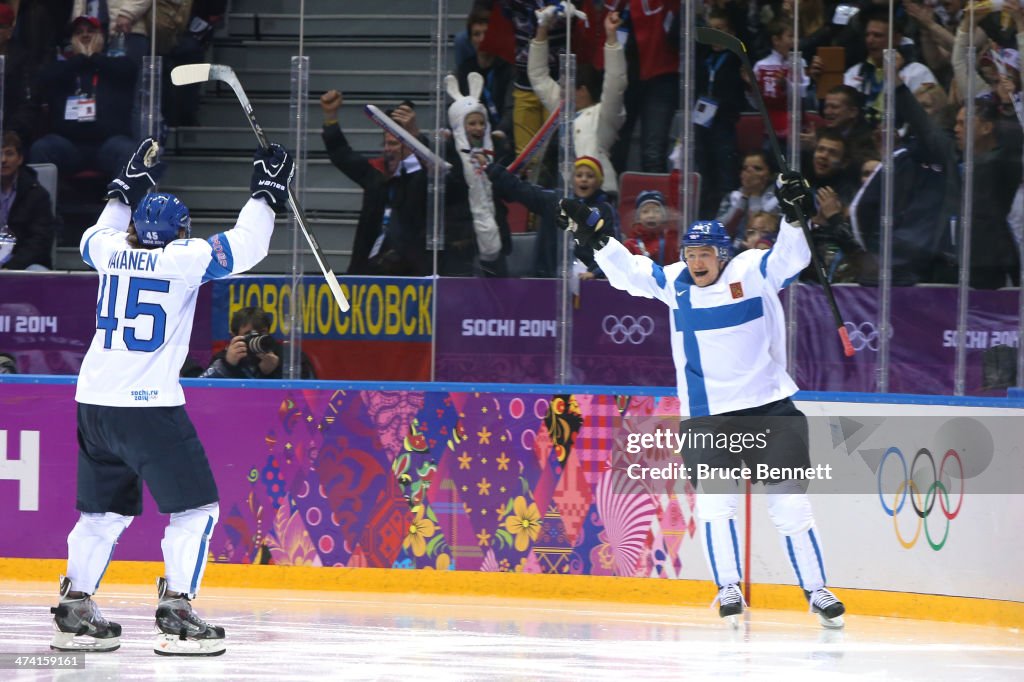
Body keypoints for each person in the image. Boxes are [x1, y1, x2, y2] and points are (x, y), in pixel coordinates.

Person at [557, 172, 846, 629]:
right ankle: (727, 588)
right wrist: (598, 239)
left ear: (723, 254)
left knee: (790, 506)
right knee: (715, 507)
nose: (696, 262)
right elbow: (631, 274)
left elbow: (793, 257)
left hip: (770, 406)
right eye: (690, 254)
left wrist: (795, 214)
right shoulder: (675, 282)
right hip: (708, 416)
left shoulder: (752, 270)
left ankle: (816, 591)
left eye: (705, 254)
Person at [49, 136, 294, 655]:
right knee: (195, 509)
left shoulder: (109, 251)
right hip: (148, 406)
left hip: (93, 402)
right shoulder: (183, 259)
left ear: (138, 229)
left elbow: (102, 227)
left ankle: (75, 603)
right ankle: (178, 608)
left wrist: (125, 186)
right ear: (181, 231)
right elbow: (249, 245)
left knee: (102, 514)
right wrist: (267, 191)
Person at [320, 89, 430, 276]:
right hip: (366, 272)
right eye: (386, 144)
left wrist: (414, 135)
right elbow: (341, 155)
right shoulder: (376, 178)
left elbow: (423, 168)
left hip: (409, 276)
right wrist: (331, 116)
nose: (388, 149)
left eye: (394, 144)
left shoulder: (422, 179)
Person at [29, 15, 138, 179]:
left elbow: (129, 71)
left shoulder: (117, 64)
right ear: (72, 40)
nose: (85, 35)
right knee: (42, 148)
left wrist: (94, 57)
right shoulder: (62, 67)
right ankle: (40, 204)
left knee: (128, 150)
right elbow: (45, 78)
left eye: (91, 32)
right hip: (69, 145)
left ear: (102, 37)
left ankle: (124, 205)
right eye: (79, 32)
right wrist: (80, 58)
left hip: (108, 144)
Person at [200, 306, 316, 380]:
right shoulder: (224, 359)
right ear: (234, 336)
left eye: (262, 332)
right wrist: (228, 365)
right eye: (248, 334)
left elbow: (308, 391)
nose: (256, 338)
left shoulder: (288, 355)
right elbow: (203, 389)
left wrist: (276, 370)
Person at [0, 132, 56, 271]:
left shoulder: (37, 194)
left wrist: (10, 268)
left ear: (20, 159)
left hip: (23, 264)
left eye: (9, 153)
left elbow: (39, 241)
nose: (3, 160)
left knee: (38, 271)